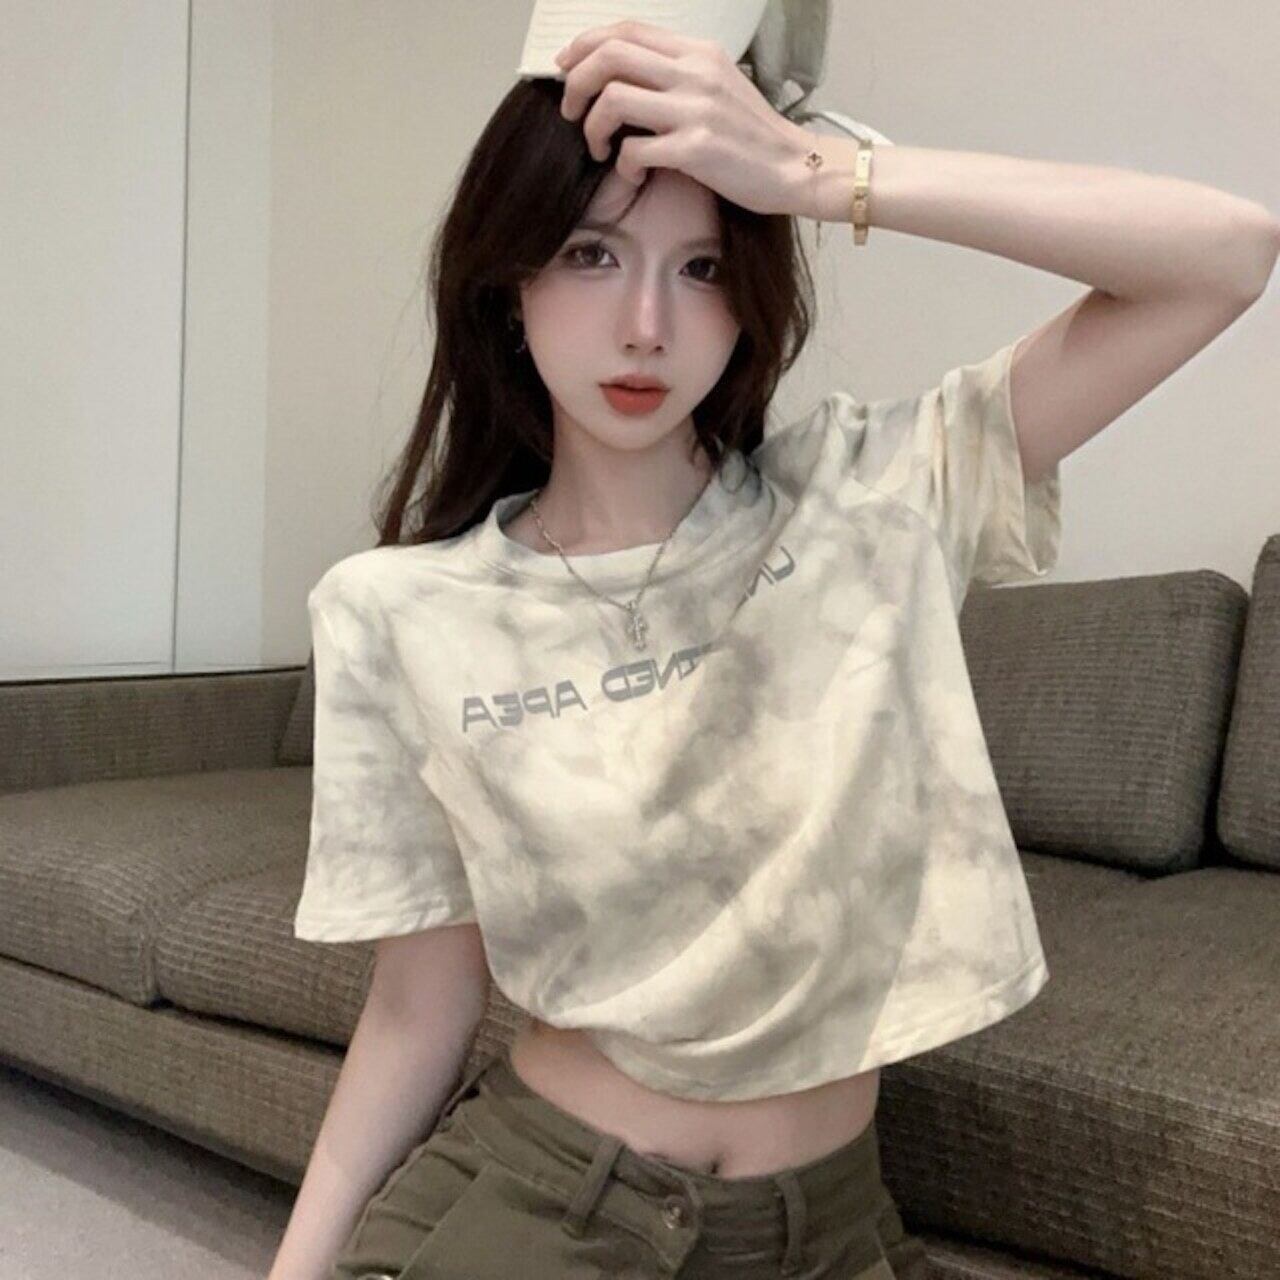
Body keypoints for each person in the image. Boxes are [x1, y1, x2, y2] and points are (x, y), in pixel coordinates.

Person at [268, 7, 1277, 1279]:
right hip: (547, 1207)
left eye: (700, 267)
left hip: (830, 1229)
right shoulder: (395, 611)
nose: (646, 324)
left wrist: (809, 171)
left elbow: (1225, 255)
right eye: (589, 254)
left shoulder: (868, 500)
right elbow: (419, 1010)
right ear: (507, 282)